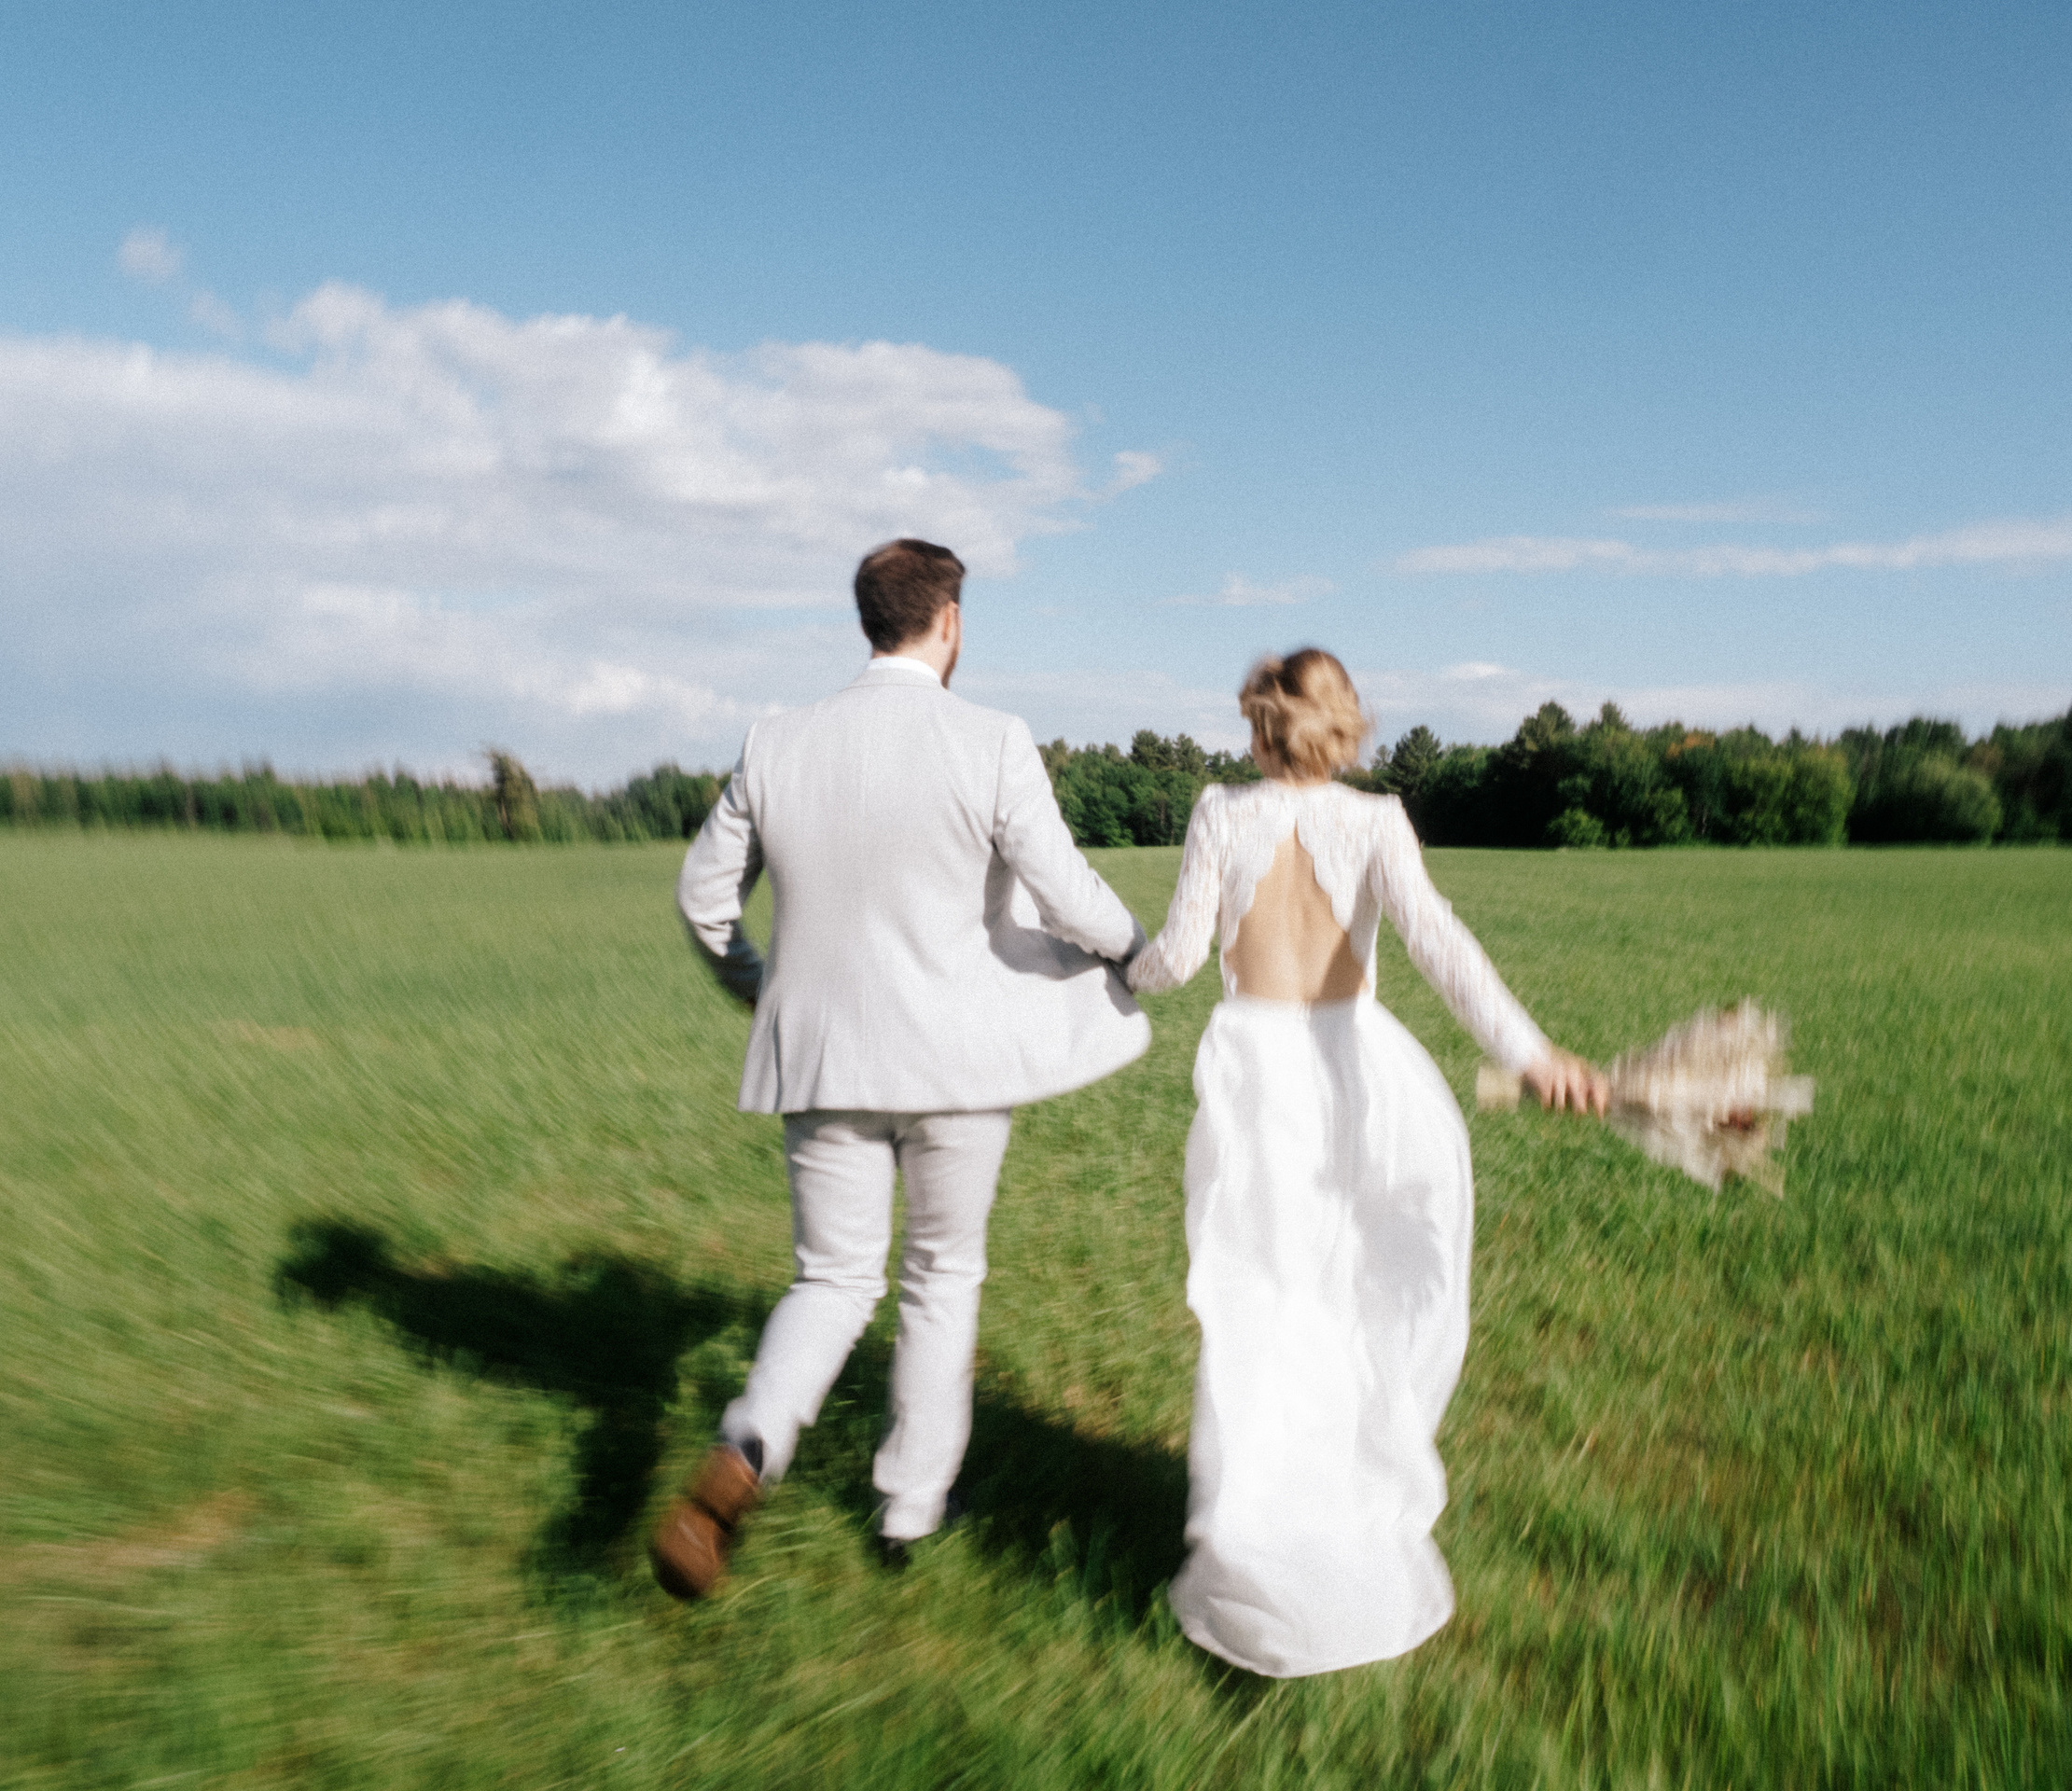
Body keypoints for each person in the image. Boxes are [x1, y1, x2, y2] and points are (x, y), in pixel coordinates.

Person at [649, 538, 1151, 1600]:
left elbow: (703, 899)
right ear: (950, 621)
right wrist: (1134, 949)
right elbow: (1066, 892)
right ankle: (911, 1509)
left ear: (869, 620)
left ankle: (743, 1452)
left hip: (821, 1059)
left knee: (830, 1278)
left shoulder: (777, 740)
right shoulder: (991, 739)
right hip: (959, 1068)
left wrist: (759, 986)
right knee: (940, 1277)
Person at [1125, 647, 1605, 1677]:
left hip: (1257, 1080)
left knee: (1258, 1305)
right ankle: (1333, 1521)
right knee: (1345, 1305)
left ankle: (1256, 1550)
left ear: (1260, 726)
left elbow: (1171, 959)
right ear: (1344, 726)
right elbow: (1441, 946)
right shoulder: (1378, 820)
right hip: (1357, 1074)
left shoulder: (1221, 811)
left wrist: (1108, 963)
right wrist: (1533, 1055)